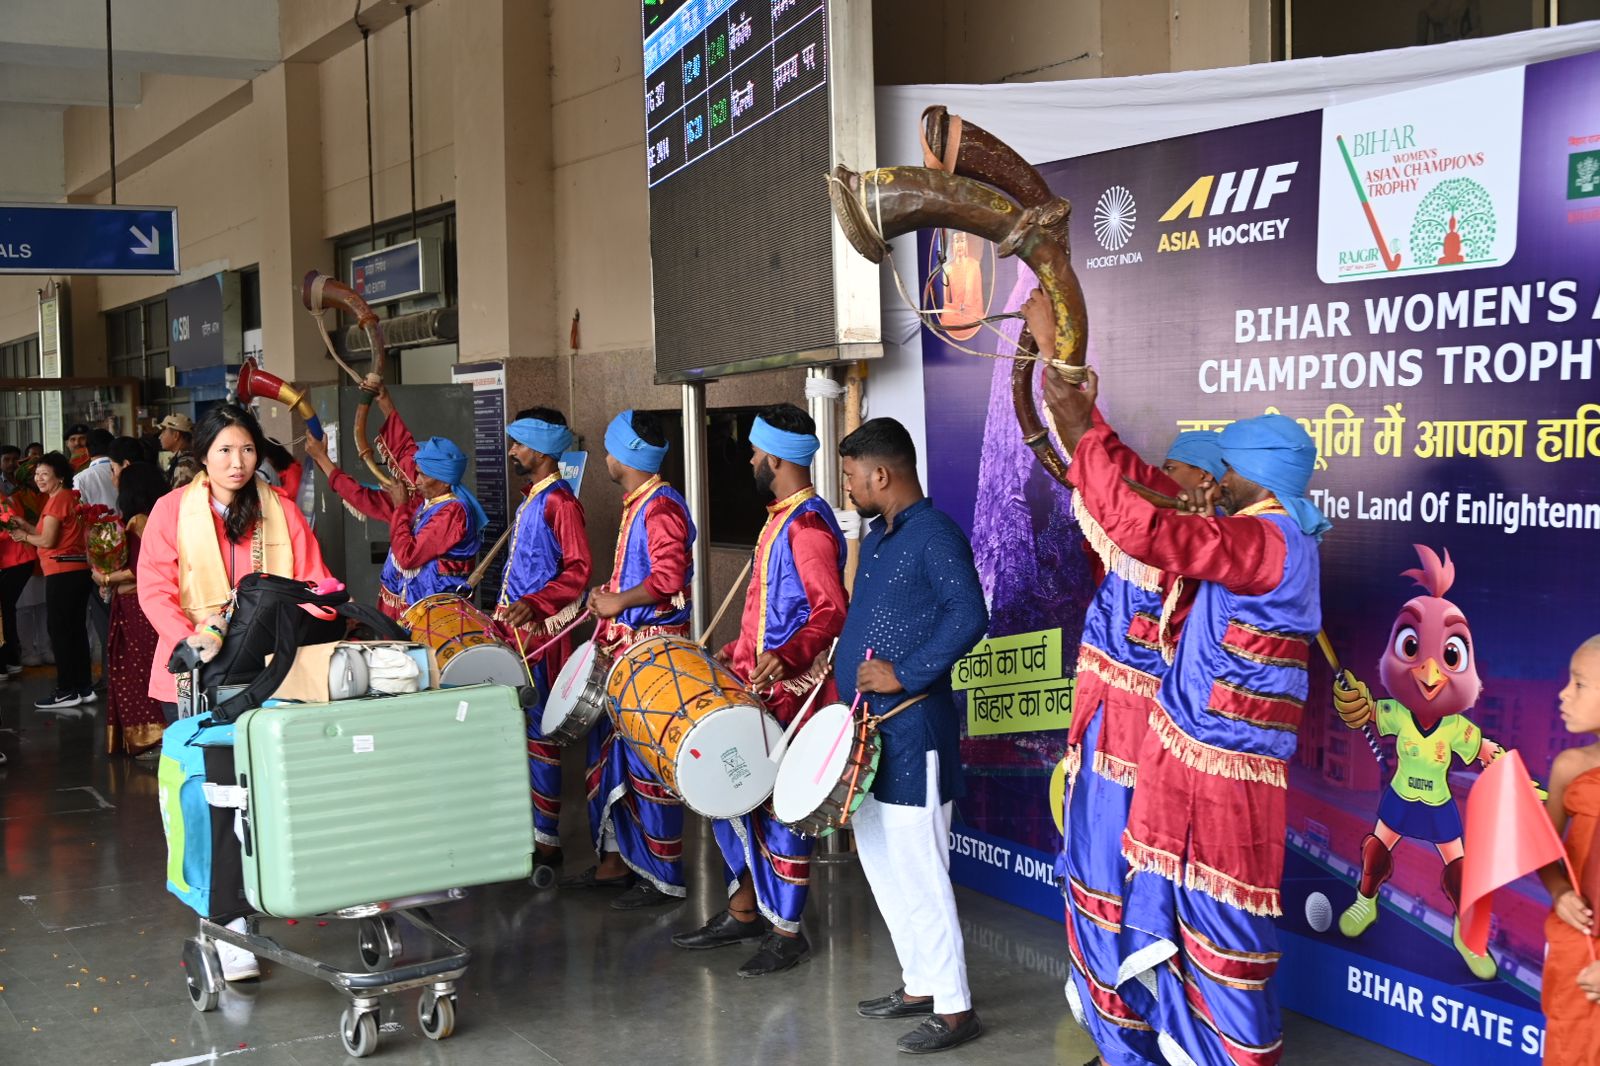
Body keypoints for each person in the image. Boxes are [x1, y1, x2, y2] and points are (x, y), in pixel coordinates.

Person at [1045, 363, 1327, 1066]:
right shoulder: (1264, 537)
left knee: (1222, 943)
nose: (1215, 483)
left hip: (1224, 793)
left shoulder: (1269, 542)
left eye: (1227, 471)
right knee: (1182, 929)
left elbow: (1153, 534)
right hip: (1192, 773)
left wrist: (1083, 428)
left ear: (1260, 476)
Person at [137, 403, 336, 984]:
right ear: (201, 455)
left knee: (266, 795)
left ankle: (260, 896)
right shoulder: (172, 511)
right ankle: (228, 921)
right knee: (216, 797)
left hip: (271, 672)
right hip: (196, 674)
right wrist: (191, 637)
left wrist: (309, 611)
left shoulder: (279, 509)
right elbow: (154, 586)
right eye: (224, 450)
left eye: (247, 449)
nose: (237, 461)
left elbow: (317, 580)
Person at [671, 404, 847, 977]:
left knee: (779, 815)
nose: (749, 459)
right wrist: (739, 653)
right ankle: (744, 910)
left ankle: (787, 931)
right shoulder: (780, 517)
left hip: (793, 697)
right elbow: (769, 611)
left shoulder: (809, 527)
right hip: (758, 688)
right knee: (729, 798)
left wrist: (785, 654)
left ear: (774, 457)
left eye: (753, 451)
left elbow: (830, 610)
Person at [833, 417, 989, 1055]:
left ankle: (955, 1008)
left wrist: (908, 672)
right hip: (870, 731)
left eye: (850, 477)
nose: (846, 488)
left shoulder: (934, 535)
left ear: (881, 474)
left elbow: (970, 614)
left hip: (915, 728)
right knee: (880, 861)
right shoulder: (876, 538)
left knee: (921, 869)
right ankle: (920, 982)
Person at [565, 409, 696, 910]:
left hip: (651, 661)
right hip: (624, 653)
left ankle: (663, 879)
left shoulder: (661, 507)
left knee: (648, 768)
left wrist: (621, 601)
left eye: (608, 448)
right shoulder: (640, 502)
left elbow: (669, 578)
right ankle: (616, 864)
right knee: (611, 759)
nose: (604, 457)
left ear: (625, 455)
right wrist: (612, 596)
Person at [497, 409, 591, 876]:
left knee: (540, 736)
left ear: (540, 448)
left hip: (542, 639)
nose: (512, 451)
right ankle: (527, 830)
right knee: (520, 734)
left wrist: (535, 604)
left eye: (518, 443)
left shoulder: (560, 502)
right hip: (518, 634)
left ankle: (547, 841)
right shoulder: (535, 498)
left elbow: (578, 571)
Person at [302, 383, 485, 620]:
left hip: (432, 614)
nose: (414, 479)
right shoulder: (425, 498)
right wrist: (384, 402)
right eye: (416, 471)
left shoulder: (453, 512)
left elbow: (407, 557)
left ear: (443, 481)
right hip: (407, 606)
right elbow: (402, 456)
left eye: (421, 474)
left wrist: (400, 506)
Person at [1537, 635, 1600, 1065]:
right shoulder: (1569, 768)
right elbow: (1543, 851)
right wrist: (1560, 893)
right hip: (1579, 949)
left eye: (1579, 684)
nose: (1563, 693)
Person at [8, 452, 94, 709]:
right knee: (75, 630)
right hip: (75, 571)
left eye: (45, 474)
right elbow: (46, 533)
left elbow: (47, 541)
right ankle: (82, 686)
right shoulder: (64, 497)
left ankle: (66, 690)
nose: (39, 478)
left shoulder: (58, 501)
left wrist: (24, 537)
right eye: (37, 474)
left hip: (63, 573)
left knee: (60, 632)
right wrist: (26, 526)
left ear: (60, 477)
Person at [96, 462, 169, 759]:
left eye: (116, 475)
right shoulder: (153, 516)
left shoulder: (140, 520)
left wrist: (104, 577)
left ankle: (152, 736)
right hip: (136, 604)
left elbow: (141, 569)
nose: (112, 479)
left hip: (138, 605)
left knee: (137, 671)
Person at [0, 481, 34, 680]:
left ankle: (5, 663)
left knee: (4, 609)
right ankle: (11, 660)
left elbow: (9, 526)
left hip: (18, 561)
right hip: (15, 562)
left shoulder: (2, 500)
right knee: (6, 608)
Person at [157, 413, 200, 488]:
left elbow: (179, 498)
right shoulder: (183, 458)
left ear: (176, 435)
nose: (160, 437)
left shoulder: (185, 465)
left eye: (163, 431)